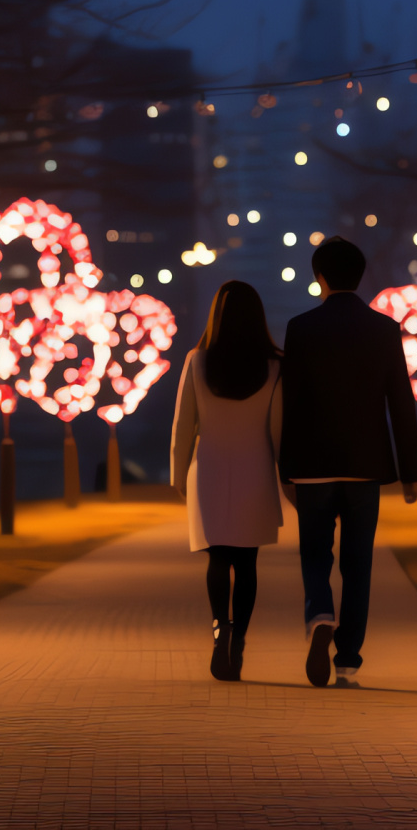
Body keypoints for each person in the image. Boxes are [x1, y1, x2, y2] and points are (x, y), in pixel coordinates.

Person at [278, 236, 417, 688]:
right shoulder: (383, 329)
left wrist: (286, 469)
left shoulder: (301, 328)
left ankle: (320, 613)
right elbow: (401, 402)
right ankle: (349, 661)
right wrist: (411, 472)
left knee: (315, 555)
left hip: (314, 466)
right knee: (359, 565)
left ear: (319, 276)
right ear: (359, 276)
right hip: (366, 466)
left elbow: (291, 403)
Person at [170, 279, 283, 682]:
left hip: (210, 468)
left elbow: (184, 423)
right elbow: (278, 430)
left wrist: (178, 474)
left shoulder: (197, 361)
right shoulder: (274, 366)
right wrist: (286, 479)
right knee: (247, 562)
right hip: (255, 468)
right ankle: (240, 639)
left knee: (217, 556)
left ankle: (221, 627)